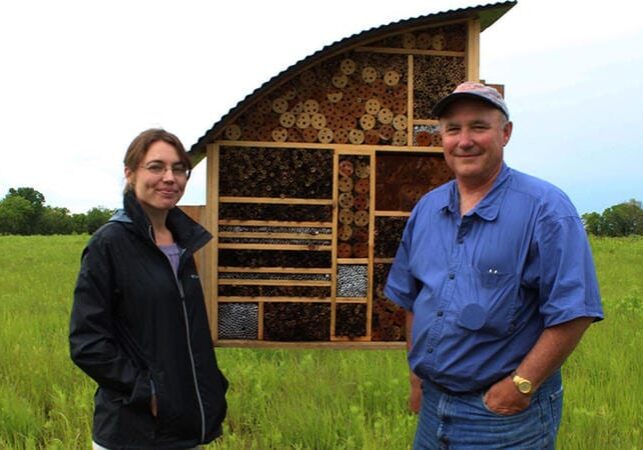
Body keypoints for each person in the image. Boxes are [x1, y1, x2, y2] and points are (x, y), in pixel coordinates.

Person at [384, 82, 603, 449]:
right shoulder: (427, 209)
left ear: (505, 133)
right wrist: (415, 377)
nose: (464, 140)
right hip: (434, 403)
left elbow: (574, 312)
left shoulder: (546, 209)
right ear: (441, 138)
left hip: (503, 416)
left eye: (479, 127)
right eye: (453, 129)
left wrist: (520, 386)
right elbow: (414, 298)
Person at [70, 129, 228, 450]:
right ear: (130, 173)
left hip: (185, 426)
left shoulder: (189, 243)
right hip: (132, 431)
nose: (169, 178)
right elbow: (87, 342)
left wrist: (212, 384)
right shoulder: (109, 244)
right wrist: (147, 393)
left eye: (179, 168)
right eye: (156, 167)